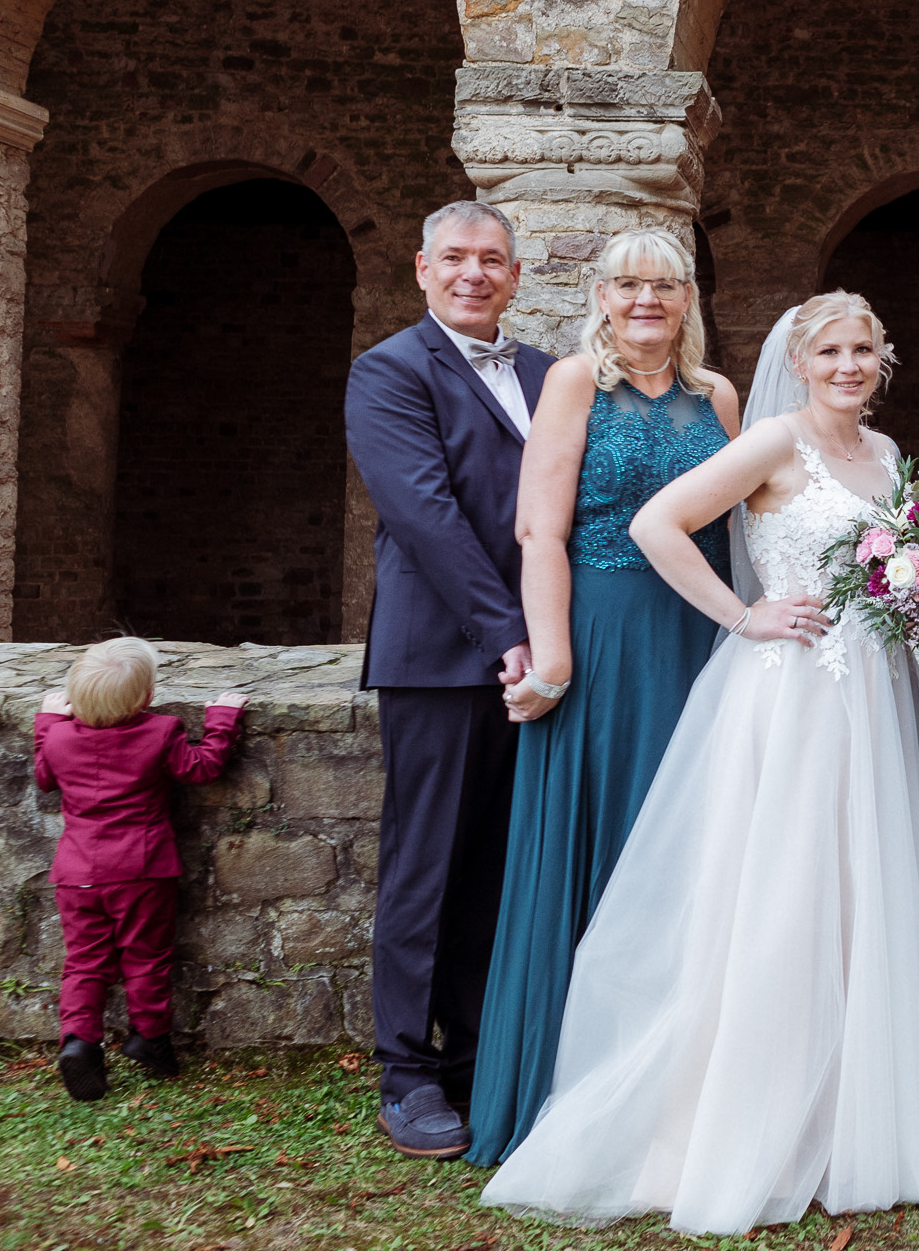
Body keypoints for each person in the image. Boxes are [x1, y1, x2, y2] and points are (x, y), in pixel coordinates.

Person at [481, 293, 919, 1235]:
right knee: (781, 897)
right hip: (790, 697)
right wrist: (747, 617)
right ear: (800, 358)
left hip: (871, 699)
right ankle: (753, 1126)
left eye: (863, 349)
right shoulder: (773, 443)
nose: (847, 365)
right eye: (828, 350)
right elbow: (657, 524)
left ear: (882, 360)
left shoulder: (889, 457)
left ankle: (852, 1119)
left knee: (862, 892)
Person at [463, 231, 741, 1167]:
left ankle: (674, 1091)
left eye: (663, 283)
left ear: (688, 295)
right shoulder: (577, 382)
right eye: (628, 283)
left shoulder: (719, 398)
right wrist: (552, 659)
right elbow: (538, 530)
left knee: (690, 848)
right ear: (602, 293)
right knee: (601, 841)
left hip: (698, 640)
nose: (646, 299)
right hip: (603, 636)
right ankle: (568, 1088)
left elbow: (751, 519)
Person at [344, 200, 557, 1159]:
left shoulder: (550, 373)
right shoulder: (388, 371)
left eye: (493, 260)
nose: (475, 273)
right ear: (422, 267)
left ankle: (481, 1057)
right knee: (425, 863)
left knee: (501, 867)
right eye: (456, 258)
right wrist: (506, 633)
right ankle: (406, 1071)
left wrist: (553, 636)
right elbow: (424, 515)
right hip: (442, 655)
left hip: (541, 655)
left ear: (516, 275)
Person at [33, 636, 245, 1101]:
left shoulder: (59, 737)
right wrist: (222, 719)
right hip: (142, 869)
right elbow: (203, 767)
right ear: (146, 698)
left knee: (84, 962)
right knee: (145, 956)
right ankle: (150, 1038)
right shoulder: (160, 731)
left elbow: (45, 777)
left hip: (78, 872)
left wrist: (47, 721)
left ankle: (80, 1042)